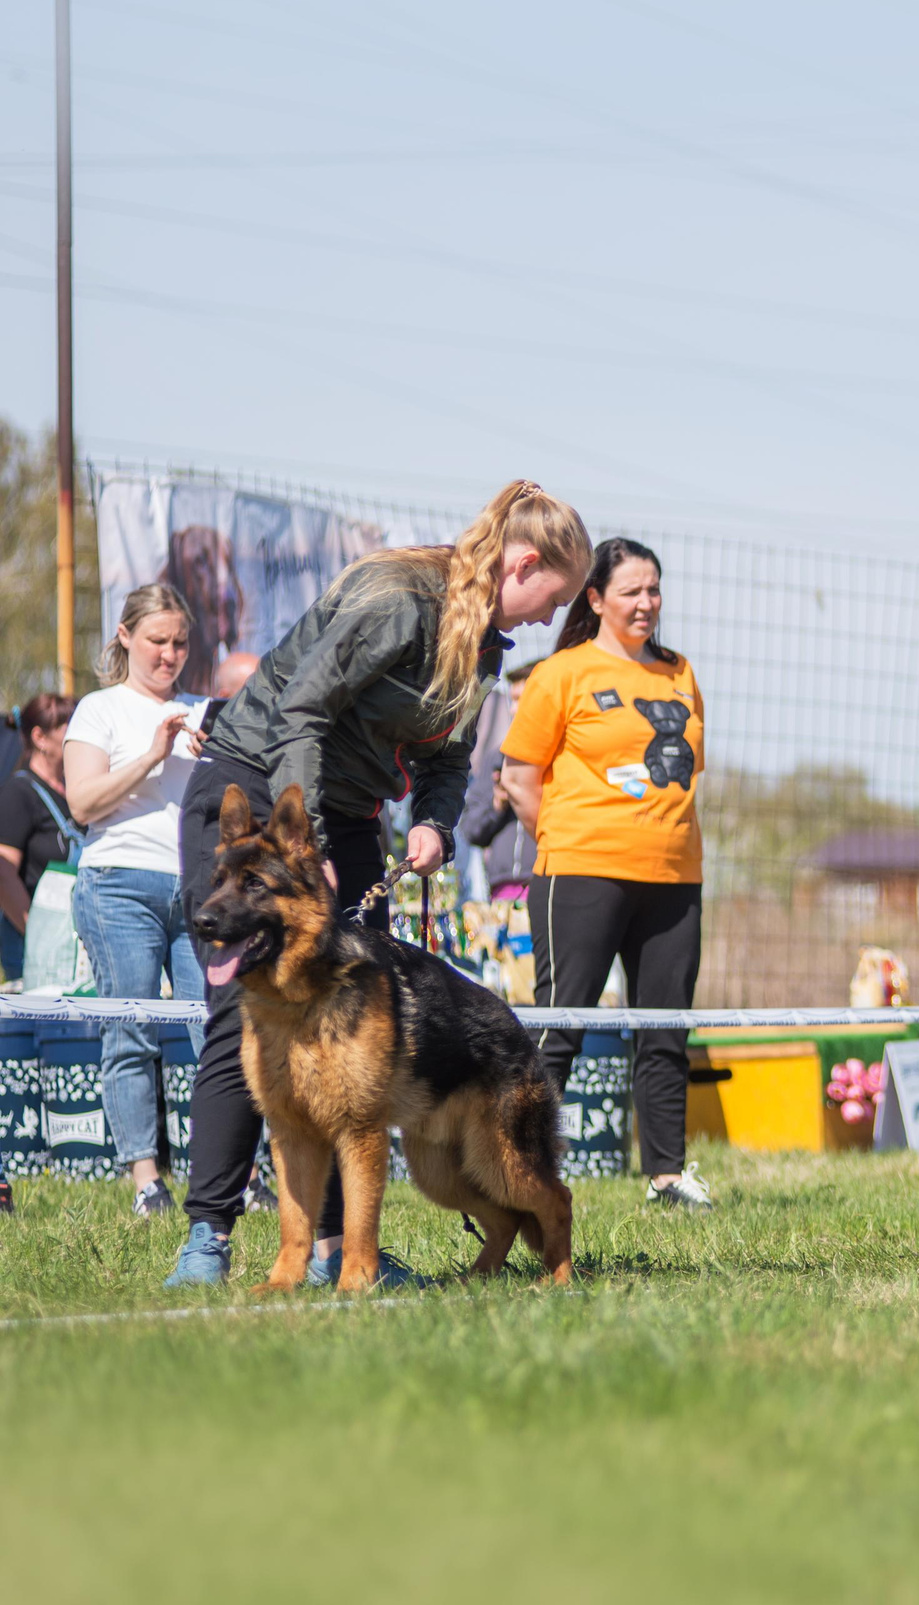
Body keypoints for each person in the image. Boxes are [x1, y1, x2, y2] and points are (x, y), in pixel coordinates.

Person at [165, 481, 590, 1288]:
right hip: (260, 787)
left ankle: (336, 1254)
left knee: (359, 1033)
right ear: (523, 562)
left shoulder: (485, 647)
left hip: (349, 812)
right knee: (245, 1012)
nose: (546, 617)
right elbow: (303, 708)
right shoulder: (400, 597)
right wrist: (306, 845)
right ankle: (207, 1241)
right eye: (553, 596)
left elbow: (448, 757)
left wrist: (432, 820)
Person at [497, 539, 710, 1209]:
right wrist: (568, 840)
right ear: (595, 598)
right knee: (560, 1025)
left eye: (654, 589)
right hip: (580, 873)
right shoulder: (563, 672)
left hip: (675, 876)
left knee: (665, 1027)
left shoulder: (680, 672)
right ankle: (517, 1171)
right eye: (630, 592)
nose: (646, 603)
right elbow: (518, 777)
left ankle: (668, 1178)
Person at [64, 586, 212, 1219]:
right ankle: (147, 1181)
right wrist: (154, 754)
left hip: (201, 890)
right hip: (117, 883)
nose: (170, 654)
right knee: (131, 1030)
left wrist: (220, 763)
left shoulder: (203, 710)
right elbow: (83, 804)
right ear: (125, 636)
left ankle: (230, 1173)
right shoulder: (99, 709)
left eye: (180, 642)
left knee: (220, 1031)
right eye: (157, 641)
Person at [0, 694, 79, 985]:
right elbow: (3, 874)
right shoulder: (18, 793)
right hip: (33, 948)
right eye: (70, 727)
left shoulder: (74, 792)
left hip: (73, 946)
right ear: (40, 737)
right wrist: (37, 936)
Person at [463, 665, 539, 900]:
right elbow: (472, 830)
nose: (514, 709)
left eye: (522, 700)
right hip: (502, 889)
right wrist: (498, 804)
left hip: (546, 881)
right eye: (512, 700)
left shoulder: (563, 757)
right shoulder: (496, 758)